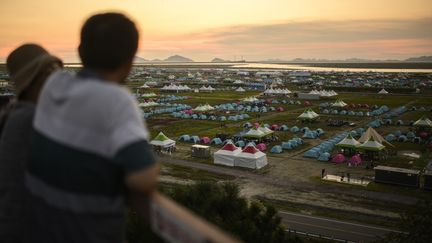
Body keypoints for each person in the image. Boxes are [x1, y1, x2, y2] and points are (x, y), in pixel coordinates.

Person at [25, 13, 159, 243]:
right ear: (130, 61)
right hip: (87, 234)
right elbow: (143, 179)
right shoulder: (116, 100)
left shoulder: (53, 84)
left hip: (38, 229)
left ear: (80, 50)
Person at [0, 44, 62, 243]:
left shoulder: (17, 112)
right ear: (34, 79)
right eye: (49, 71)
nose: (57, 76)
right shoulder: (31, 118)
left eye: (56, 68)